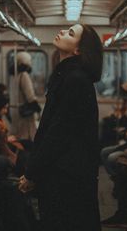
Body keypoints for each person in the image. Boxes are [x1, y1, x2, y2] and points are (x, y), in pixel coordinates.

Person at [19, 24, 103, 231]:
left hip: (67, 176)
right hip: (65, 170)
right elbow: (51, 128)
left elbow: (57, 133)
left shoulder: (75, 80)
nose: (62, 32)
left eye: (70, 33)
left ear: (78, 50)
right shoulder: (67, 75)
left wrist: (32, 172)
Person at [9, 51, 41, 141]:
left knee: (18, 134)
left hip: (15, 109)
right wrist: (37, 109)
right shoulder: (24, 75)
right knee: (27, 135)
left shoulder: (13, 75)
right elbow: (30, 95)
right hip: (24, 110)